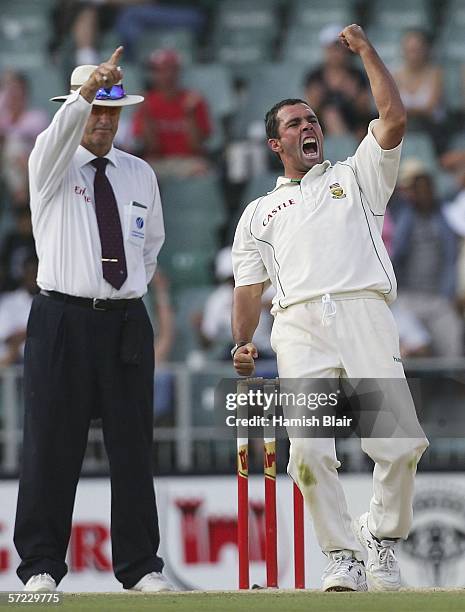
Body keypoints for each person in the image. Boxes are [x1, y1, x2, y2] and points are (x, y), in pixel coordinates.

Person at [231, 25, 429, 593]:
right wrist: (243, 342)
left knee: (399, 444)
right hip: (298, 327)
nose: (308, 127)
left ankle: (379, 538)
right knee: (310, 453)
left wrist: (366, 50)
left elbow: (392, 120)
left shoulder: (357, 174)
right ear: (276, 145)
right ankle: (340, 556)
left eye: (312, 120)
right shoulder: (258, 212)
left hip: (364, 314)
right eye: (294, 124)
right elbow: (248, 288)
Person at [13, 47, 171, 594]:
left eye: (111, 110)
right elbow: (53, 140)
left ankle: (141, 566)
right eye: (94, 110)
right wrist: (86, 93)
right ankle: (38, 568)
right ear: (76, 108)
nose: (103, 120)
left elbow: (149, 247)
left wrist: (126, 290)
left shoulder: (138, 172)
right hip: (62, 317)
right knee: (51, 446)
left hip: (125, 319)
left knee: (132, 447)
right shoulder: (50, 165)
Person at [391, 159, 462, 357]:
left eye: (427, 188)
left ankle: (451, 387)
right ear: (410, 193)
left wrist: (449, 294)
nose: (424, 193)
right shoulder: (401, 216)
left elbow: (451, 258)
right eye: (418, 189)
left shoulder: (445, 217)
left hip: (438, 299)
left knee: (453, 342)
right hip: (407, 297)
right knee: (412, 348)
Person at [131, 48, 212, 179]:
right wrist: (147, 116)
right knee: (141, 174)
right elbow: (152, 148)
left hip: (188, 161)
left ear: (178, 72)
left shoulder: (193, 100)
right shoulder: (146, 102)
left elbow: (196, 147)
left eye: (170, 69)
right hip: (158, 162)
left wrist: (190, 115)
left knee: (201, 170)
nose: (166, 75)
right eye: (159, 70)